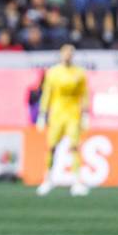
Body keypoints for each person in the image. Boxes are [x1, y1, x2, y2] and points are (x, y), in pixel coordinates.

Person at [36, 44, 89, 196]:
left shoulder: (79, 73)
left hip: (73, 115)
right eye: (65, 53)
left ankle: (77, 182)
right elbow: (47, 93)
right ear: (60, 55)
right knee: (51, 147)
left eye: (70, 53)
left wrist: (85, 114)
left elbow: (84, 94)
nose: (67, 56)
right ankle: (47, 180)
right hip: (57, 115)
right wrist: (42, 114)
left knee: (75, 147)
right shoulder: (53, 72)